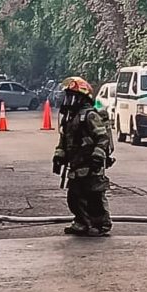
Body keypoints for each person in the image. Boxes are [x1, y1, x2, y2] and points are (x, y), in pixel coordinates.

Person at [52, 76, 114, 237]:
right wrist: (59, 156)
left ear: (81, 98)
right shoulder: (70, 118)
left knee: (94, 195)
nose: (68, 100)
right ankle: (81, 222)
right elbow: (64, 140)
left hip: (91, 164)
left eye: (71, 96)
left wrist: (97, 157)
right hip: (76, 164)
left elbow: (102, 138)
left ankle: (101, 225)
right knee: (74, 196)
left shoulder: (89, 115)